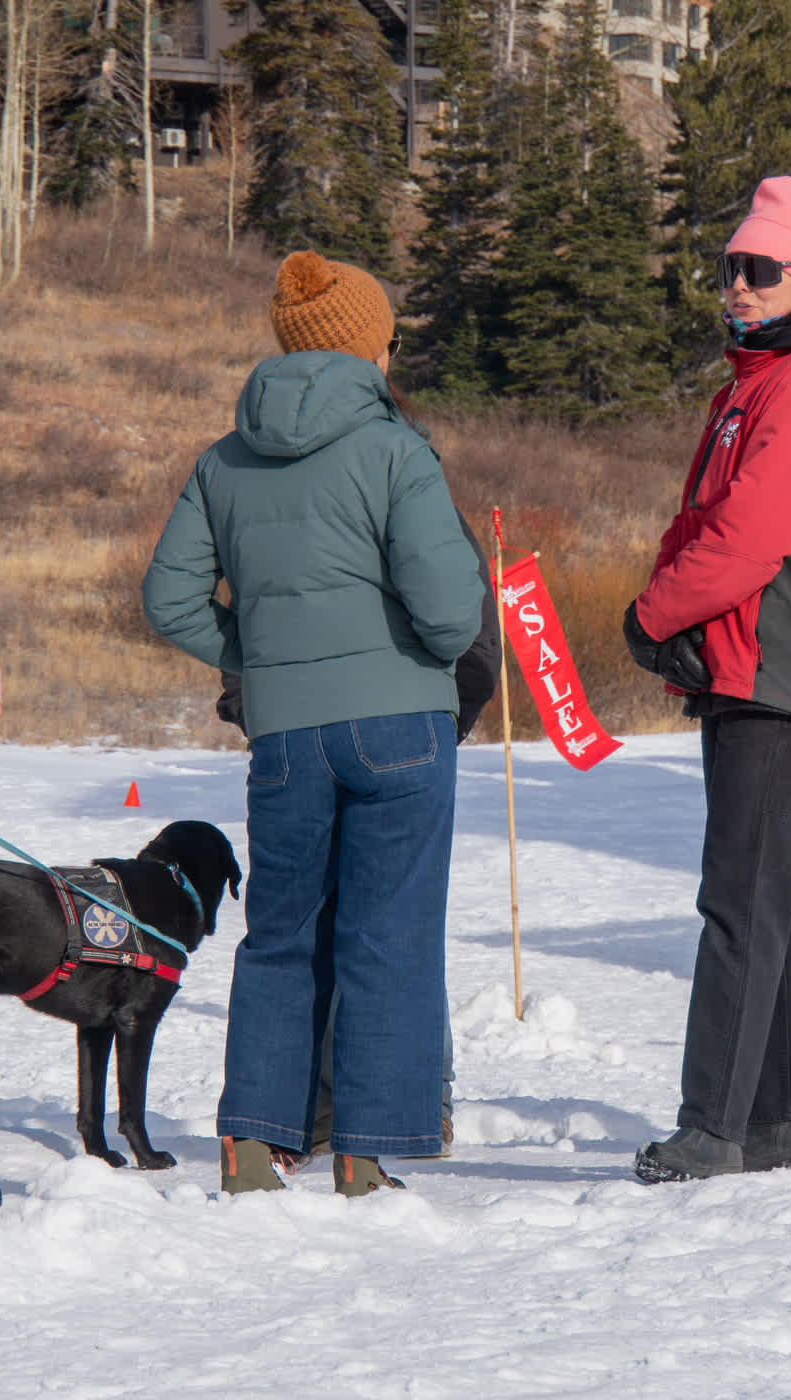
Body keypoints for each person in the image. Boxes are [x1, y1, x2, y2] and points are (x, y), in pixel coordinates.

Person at [144, 249, 486, 1197]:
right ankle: (362, 1156)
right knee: (389, 936)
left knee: (280, 932)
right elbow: (451, 618)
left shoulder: (223, 459)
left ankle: (252, 1146)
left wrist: (263, 658)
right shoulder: (396, 449)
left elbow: (169, 602)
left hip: (286, 734)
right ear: (372, 347)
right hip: (401, 723)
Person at [624, 176, 791, 1183]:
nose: (739, 283)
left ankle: (712, 1126)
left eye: (762, 269)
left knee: (738, 899)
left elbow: (751, 532)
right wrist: (675, 607)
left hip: (780, 669)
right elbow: (705, 519)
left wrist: (655, 615)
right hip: (754, 664)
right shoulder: (765, 374)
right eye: (732, 265)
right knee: (776, 897)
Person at [215, 514, 501, 1156]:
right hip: (399, 730)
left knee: (301, 929)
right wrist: (441, 724)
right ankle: (400, 1115)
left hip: (299, 733)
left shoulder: (273, 498)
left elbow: (234, 619)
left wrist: (257, 707)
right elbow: (474, 634)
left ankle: (310, 1122)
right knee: (395, 928)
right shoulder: (412, 491)